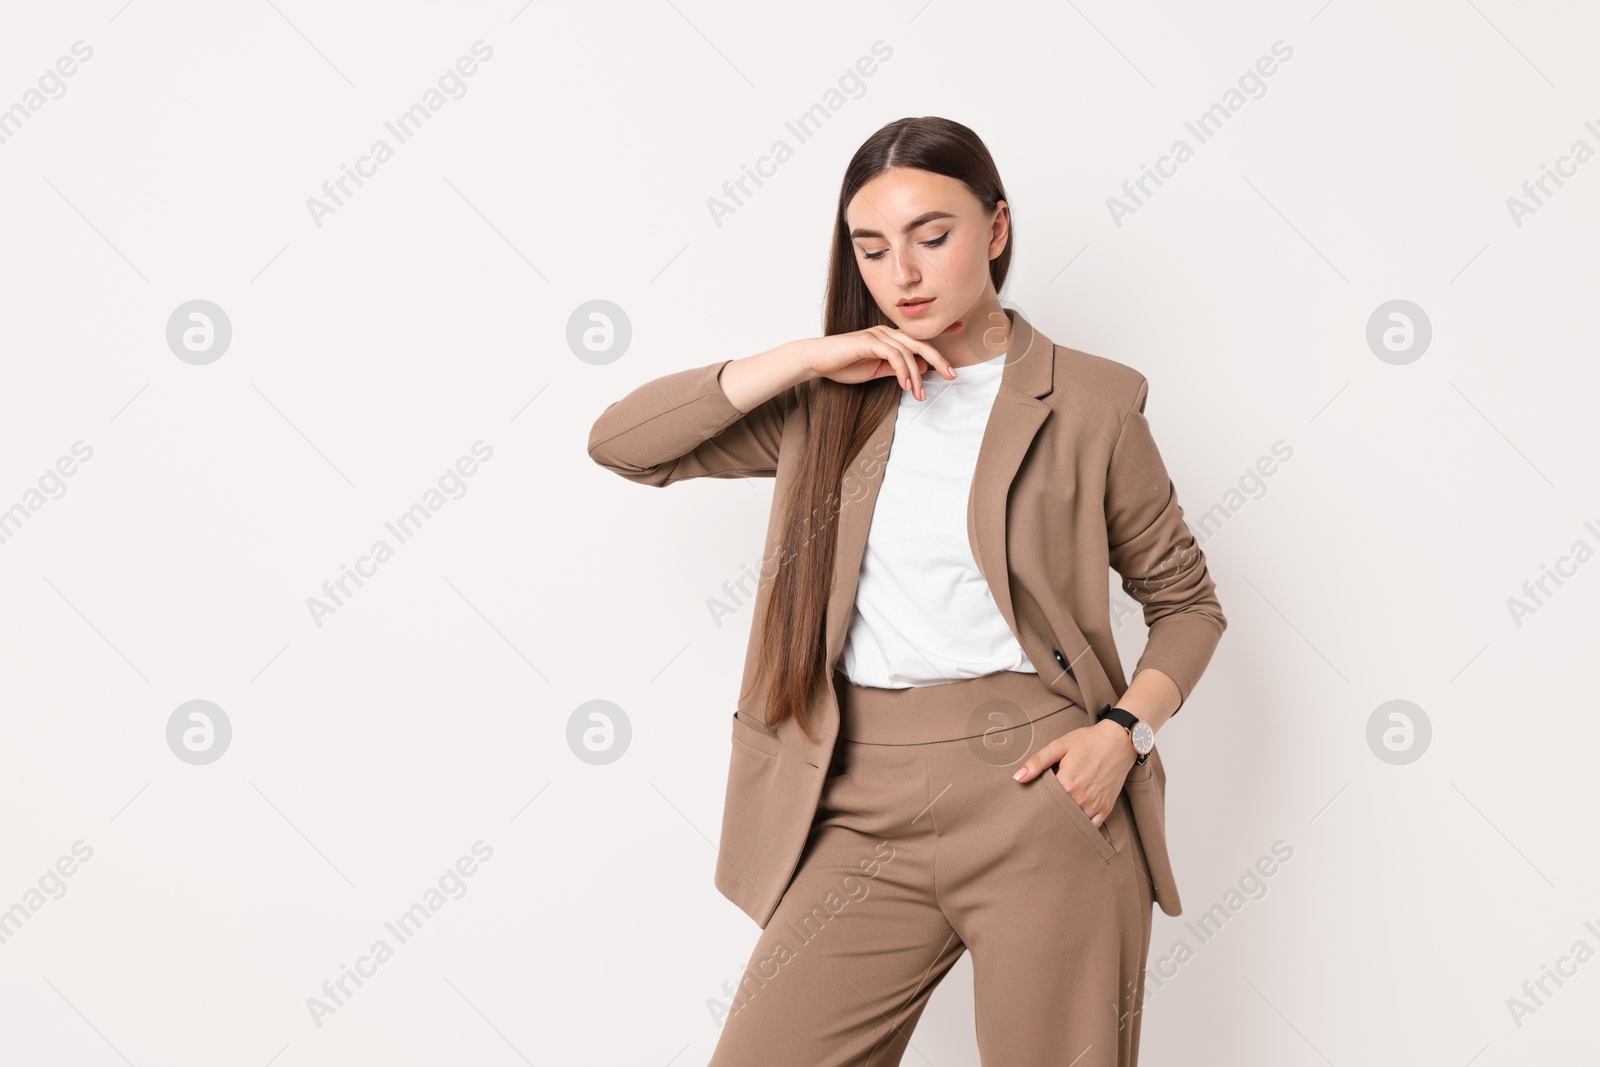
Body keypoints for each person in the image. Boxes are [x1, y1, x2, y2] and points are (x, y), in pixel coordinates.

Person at [587, 115, 1226, 1067]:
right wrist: (807, 357)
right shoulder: (832, 401)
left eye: (934, 235)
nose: (905, 273)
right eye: (873, 248)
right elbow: (623, 444)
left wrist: (1120, 735)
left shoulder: (1092, 402)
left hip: (1040, 798)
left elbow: (1187, 605)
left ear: (996, 229)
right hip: (855, 800)